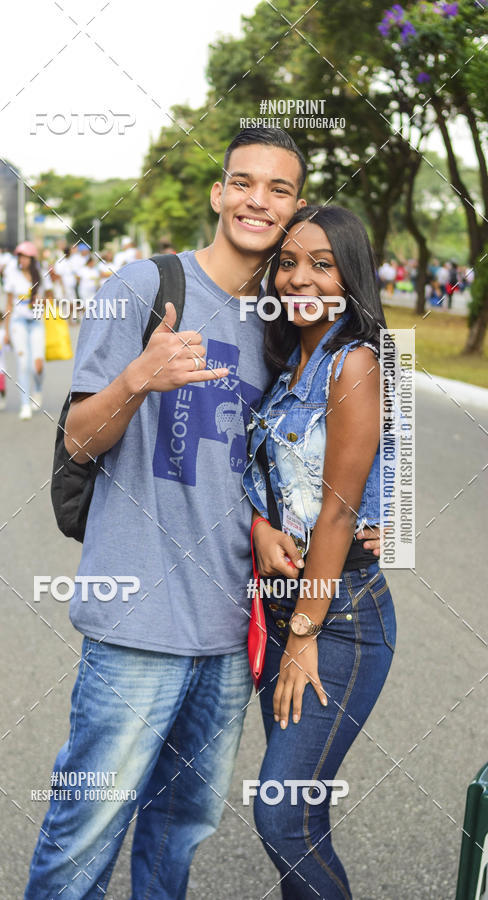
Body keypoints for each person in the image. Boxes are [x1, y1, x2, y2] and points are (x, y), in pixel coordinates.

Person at [24, 128, 380, 899]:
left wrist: (267, 525)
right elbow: (79, 440)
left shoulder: (281, 325)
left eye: (279, 189)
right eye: (243, 182)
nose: (258, 200)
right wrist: (137, 379)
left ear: (294, 209)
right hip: (138, 621)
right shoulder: (142, 287)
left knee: (179, 830)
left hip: (230, 629)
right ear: (219, 194)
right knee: (85, 830)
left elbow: (268, 463)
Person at [243, 205, 396, 899]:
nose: (299, 278)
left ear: (350, 276)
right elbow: (273, 483)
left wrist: (304, 634)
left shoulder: (353, 362)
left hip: (338, 620)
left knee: (281, 815)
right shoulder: (288, 364)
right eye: (288, 263)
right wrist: (259, 528)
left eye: (322, 264)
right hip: (278, 609)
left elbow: (337, 511)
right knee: (301, 810)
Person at [4, 241, 45, 420]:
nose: (22, 260)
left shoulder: (41, 275)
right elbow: (8, 304)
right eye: (20, 256)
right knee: (23, 363)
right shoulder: (12, 275)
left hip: (36, 322)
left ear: (32, 258)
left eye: (26, 257)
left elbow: (50, 297)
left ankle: (38, 389)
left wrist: (41, 302)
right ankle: (25, 404)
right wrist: (6, 331)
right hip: (18, 322)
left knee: (37, 366)